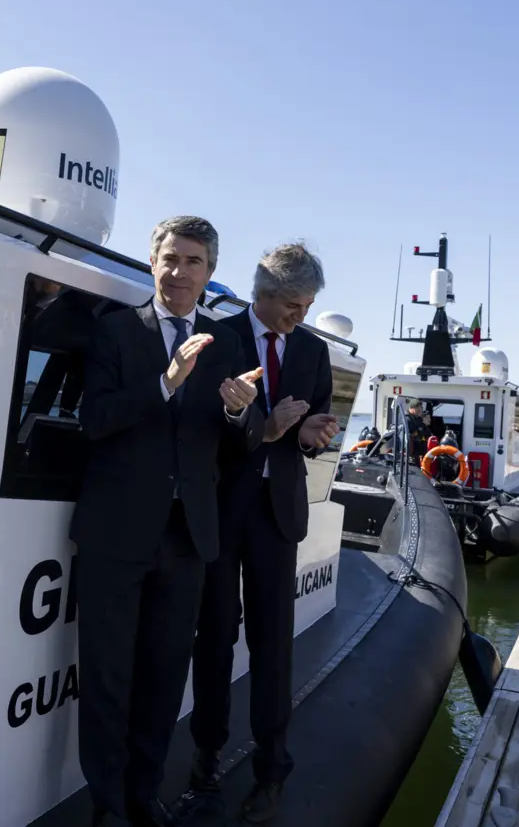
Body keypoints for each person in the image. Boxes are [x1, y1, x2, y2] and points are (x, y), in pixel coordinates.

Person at [70, 216, 272, 827]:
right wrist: (165, 382)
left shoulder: (226, 345)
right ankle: (107, 805)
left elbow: (237, 446)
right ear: (151, 261)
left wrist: (242, 415)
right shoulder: (114, 333)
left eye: (193, 262)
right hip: (116, 532)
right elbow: (93, 419)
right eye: (170, 257)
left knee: (161, 677)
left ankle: (142, 794)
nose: (178, 271)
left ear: (210, 275)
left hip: (188, 537)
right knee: (107, 677)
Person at [185, 242, 339, 824]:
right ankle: (205, 757)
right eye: (294, 306)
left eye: (306, 307)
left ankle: (272, 770)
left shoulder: (312, 351)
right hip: (223, 513)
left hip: (278, 516)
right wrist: (262, 428)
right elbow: (200, 431)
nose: (300, 316)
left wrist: (310, 435)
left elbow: (316, 425)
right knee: (215, 638)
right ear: (265, 295)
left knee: (274, 645)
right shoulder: (216, 340)